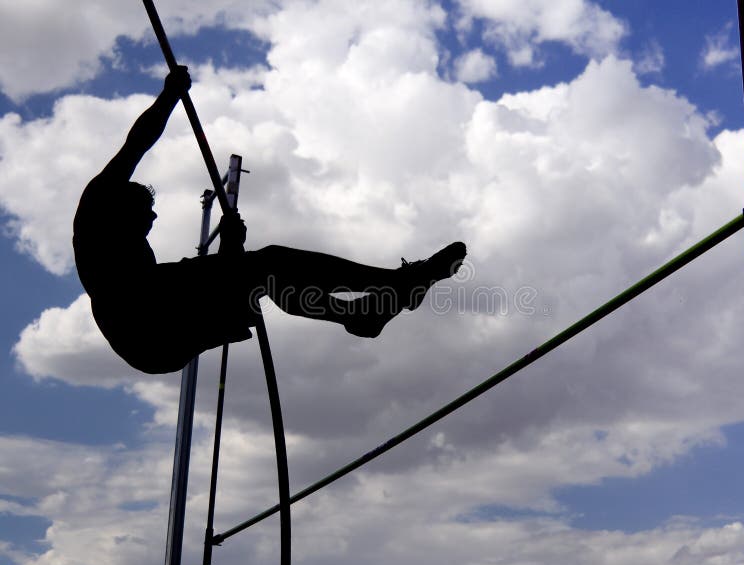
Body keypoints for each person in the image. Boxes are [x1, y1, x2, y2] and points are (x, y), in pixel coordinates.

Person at [73, 67, 466, 375]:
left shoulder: (126, 244)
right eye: (146, 213)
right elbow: (137, 143)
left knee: (264, 278)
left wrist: (231, 247)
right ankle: (393, 285)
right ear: (121, 206)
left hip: (163, 329)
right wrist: (169, 96)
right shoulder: (96, 208)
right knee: (271, 261)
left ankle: (360, 315)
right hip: (142, 322)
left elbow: (225, 282)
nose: (154, 217)